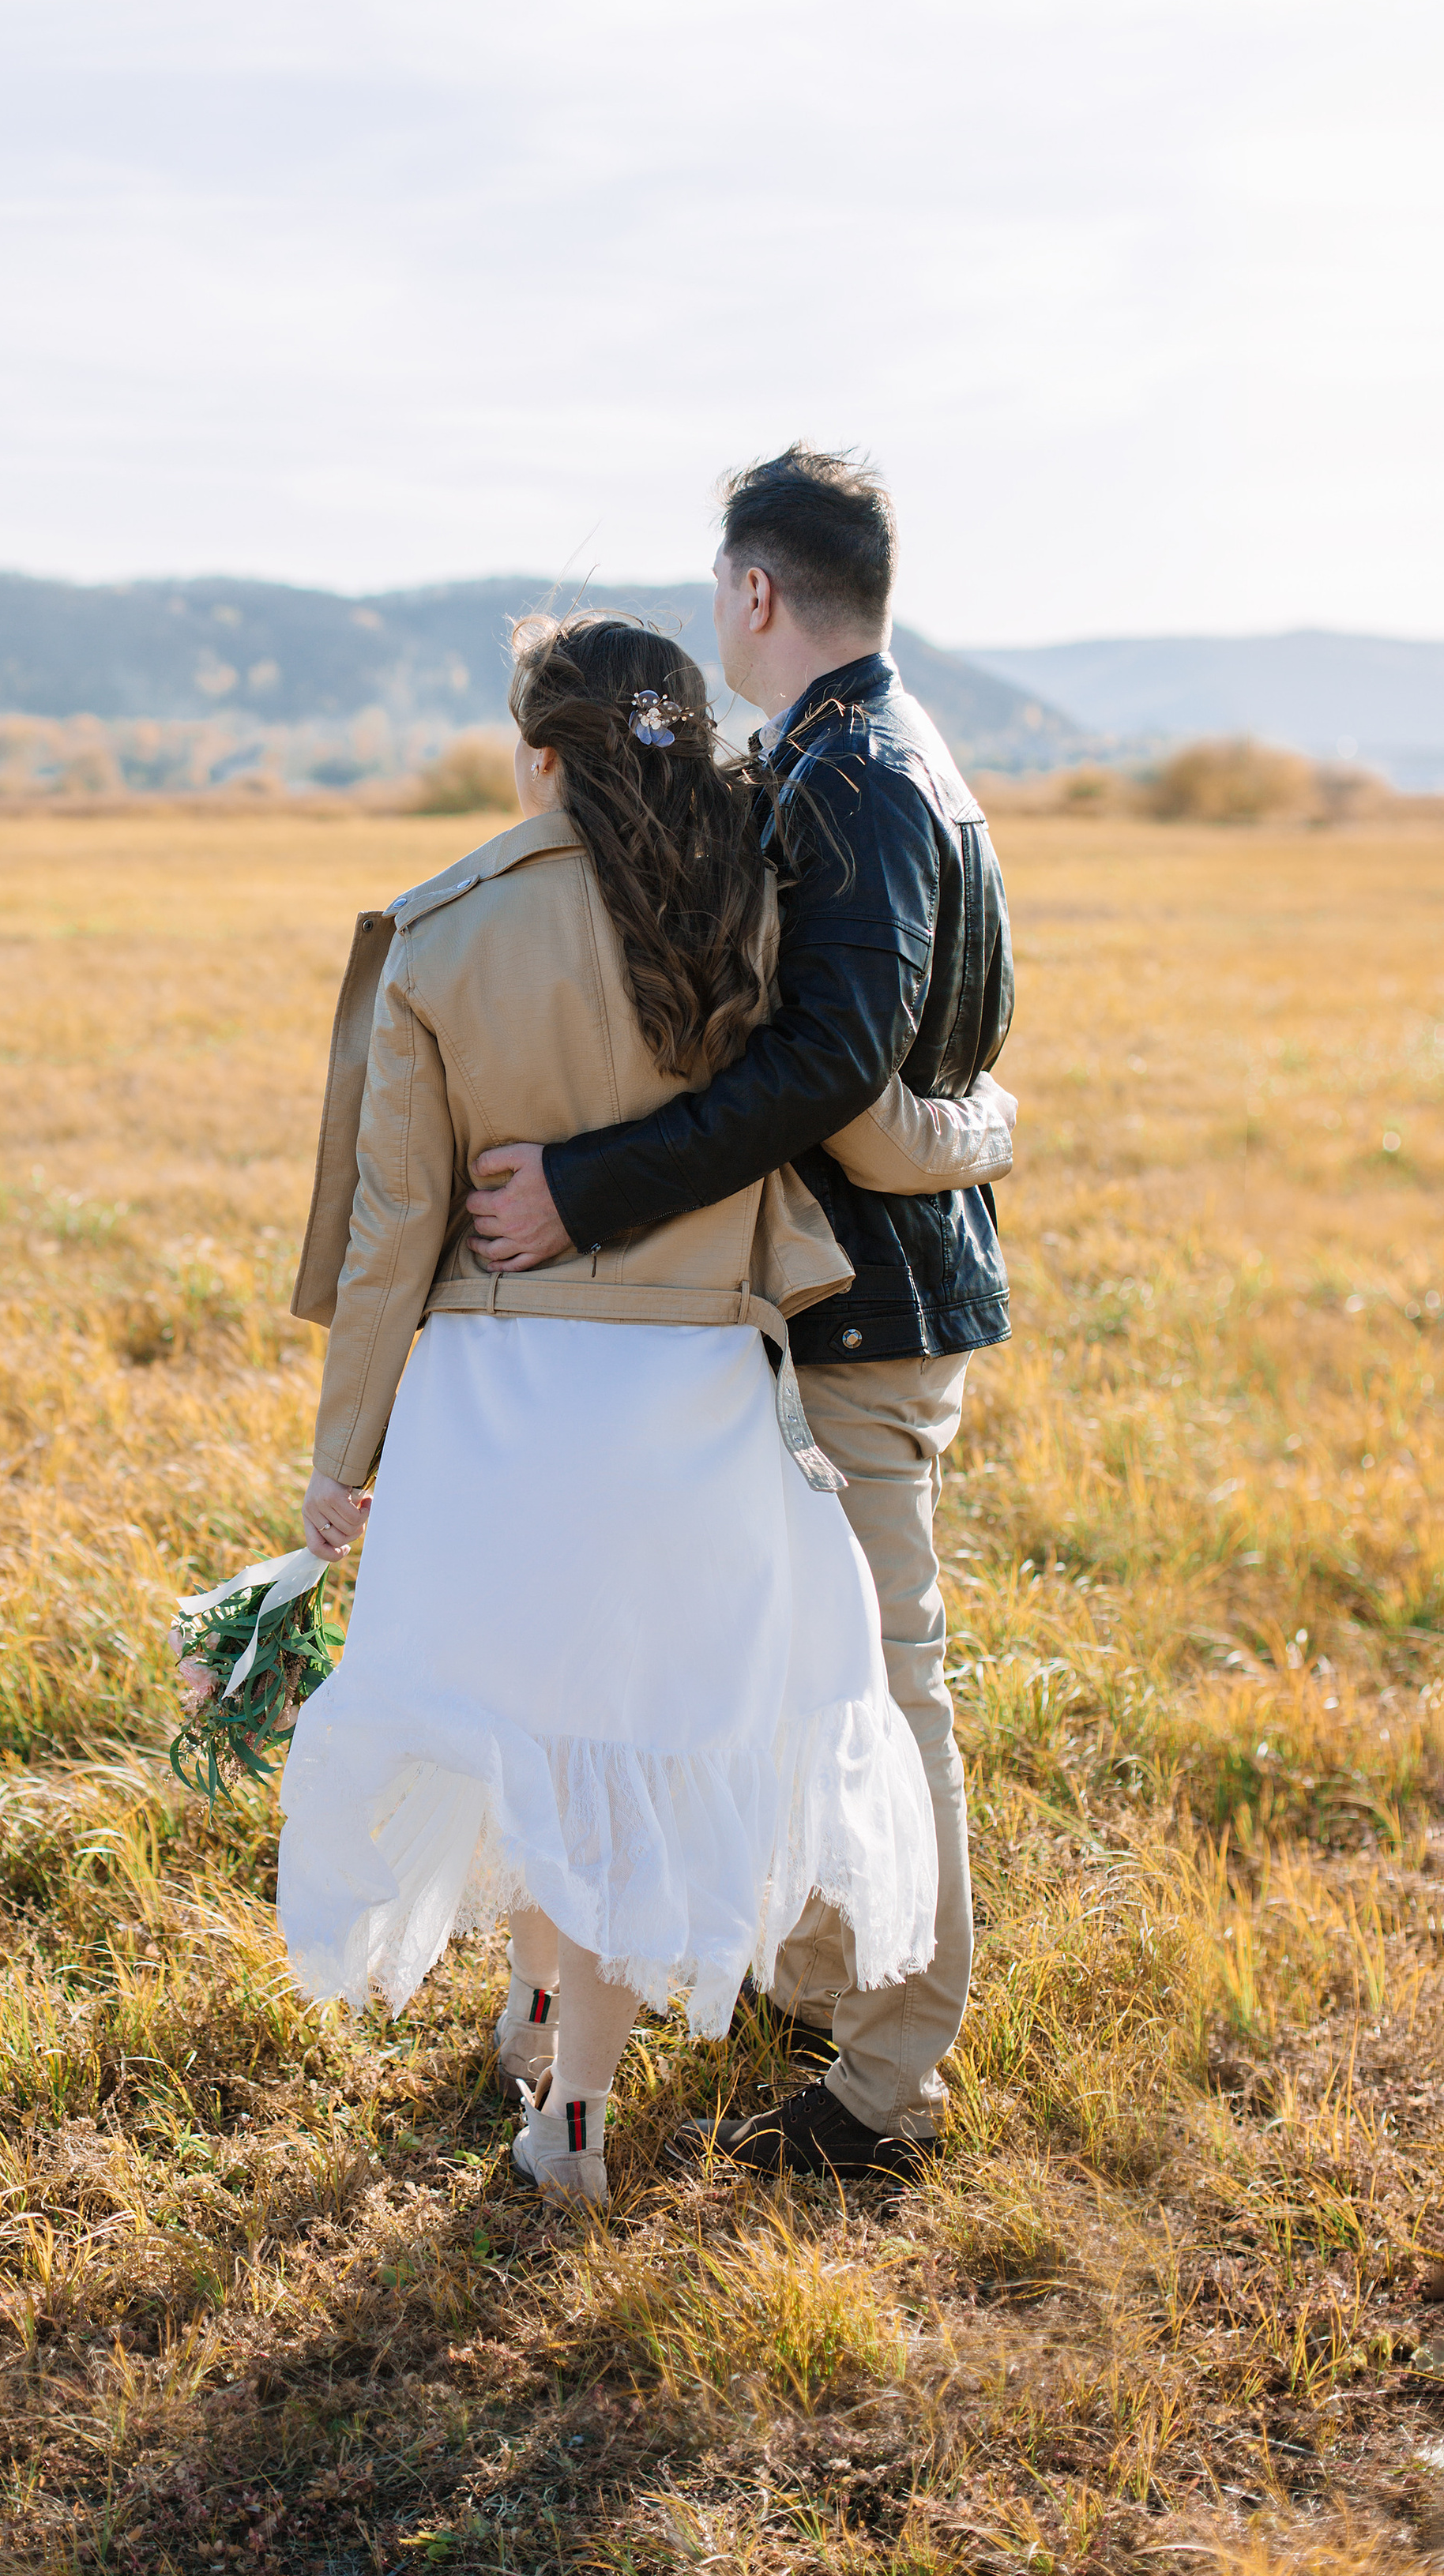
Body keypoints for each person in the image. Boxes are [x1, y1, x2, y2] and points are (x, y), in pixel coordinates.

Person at [272, 611, 1005, 2206]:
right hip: (689, 1401)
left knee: (531, 1726)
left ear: (538, 756)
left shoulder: (432, 929)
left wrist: (342, 1460)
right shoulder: (743, 913)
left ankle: (533, 2027)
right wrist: (981, 1127)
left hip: (492, 1398)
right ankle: (574, 2108)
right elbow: (850, 1114)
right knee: (621, 1742)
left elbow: (390, 1229)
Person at [466, 449, 1014, 2183]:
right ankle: (813, 1974)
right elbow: (939, 1050)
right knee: (800, 1665)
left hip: (863, 1305)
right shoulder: (898, 753)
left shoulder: (847, 776)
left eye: (721, 591)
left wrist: (584, 1183)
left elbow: (837, 1069)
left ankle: (884, 2085)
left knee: (882, 1678)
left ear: (755, 594)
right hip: (847, 1291)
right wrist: (975, 1125)